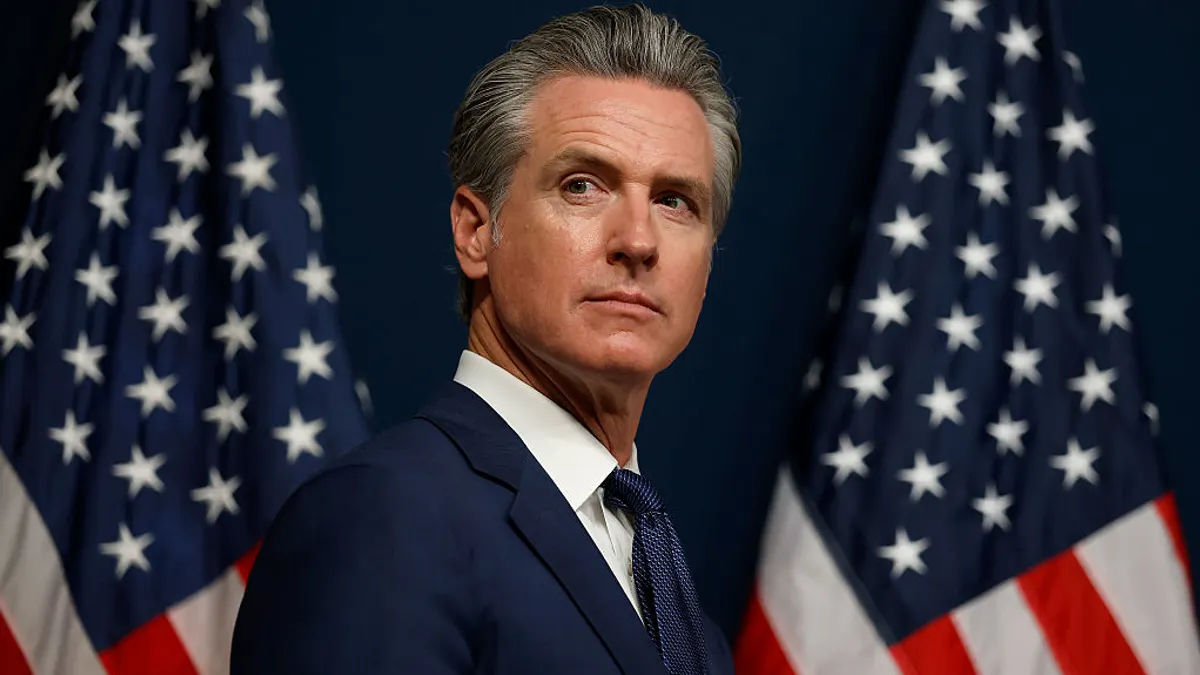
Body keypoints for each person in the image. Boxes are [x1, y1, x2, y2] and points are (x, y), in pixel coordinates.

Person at [230, 4, 741, 673]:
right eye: (583, 185)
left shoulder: (689, 621)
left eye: (676, 200)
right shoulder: (383, 520)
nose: (638, 241)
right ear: (476, 231)